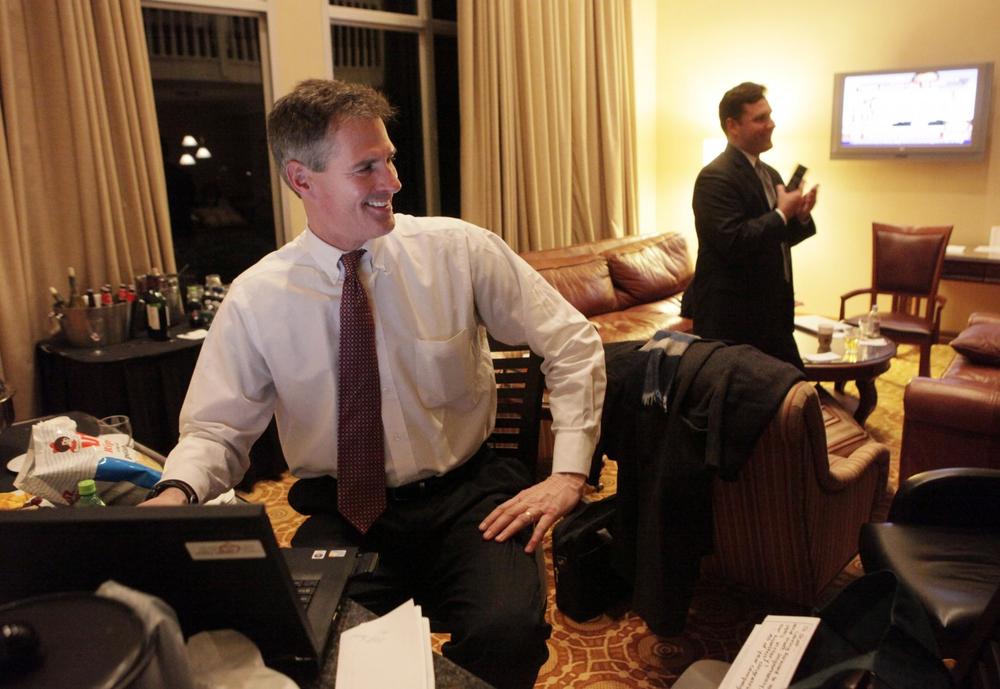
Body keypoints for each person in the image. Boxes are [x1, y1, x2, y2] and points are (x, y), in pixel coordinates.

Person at [143, 79, 606, 689]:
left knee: (507, 634)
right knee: (305, 643)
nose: (393, 181)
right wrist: (176, 492)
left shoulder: (458, 251)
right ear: (301, 179)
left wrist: (569, 474)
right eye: (367, 167)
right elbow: (217, 428)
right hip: (345, 510)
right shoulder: (257, 297)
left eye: (389, 159)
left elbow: (572, 343)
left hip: (470, 498)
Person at [684, 82, 819, 369]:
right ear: (732, 126)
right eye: (760, 118)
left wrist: (800, 216)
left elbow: (774, 238)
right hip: (733, 319)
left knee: (796, 392)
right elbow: (734, 242)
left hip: (772, 316)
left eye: (769, 116)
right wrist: (782, 214)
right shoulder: (714, 177)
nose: (771, 124)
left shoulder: (769, 173)